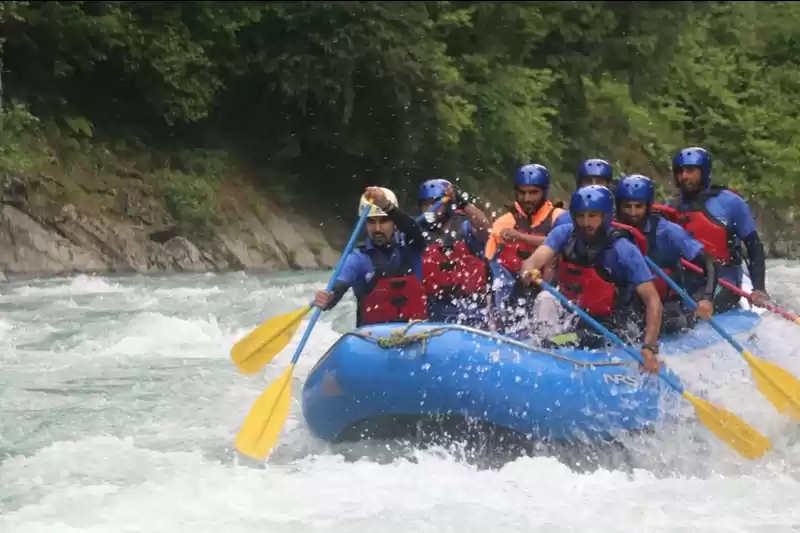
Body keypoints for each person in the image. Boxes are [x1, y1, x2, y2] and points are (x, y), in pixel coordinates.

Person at [520, 185, 662, 373]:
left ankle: (549, 348)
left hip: (610, 327)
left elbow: (653, 300)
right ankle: (540, 352)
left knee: (557, 340)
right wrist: (528, 268)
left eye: (593, 216)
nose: (586, 223)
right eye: (581, 216)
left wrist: (649, 347)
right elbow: (535, 259)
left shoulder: (623, 249)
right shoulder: (564, 234)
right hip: (575, 314)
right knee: (545, 298)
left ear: (605, 216)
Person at [669, 147, 770, 312]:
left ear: (704, 172)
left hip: (724, 279)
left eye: (690, 171)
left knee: (689, 309)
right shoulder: (671, 207)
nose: (684, 176)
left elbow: (754, 246)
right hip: (686, 278)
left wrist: (759, 288)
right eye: (680, 172)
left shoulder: (731, 202)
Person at [614, 175, 717, 333]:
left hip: (667, 304)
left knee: (671, 324)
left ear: (648, 206)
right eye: (627, 207)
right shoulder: (612, 231)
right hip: (630, 303)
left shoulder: (668, 231)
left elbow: (709, 262)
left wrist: (707, 298)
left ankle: (688, 319)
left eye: (638, 206)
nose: (633, 213)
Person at [314, 186, 428, 327]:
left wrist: (386, 206)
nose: (377, 229)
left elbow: (415, 231)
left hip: (416, 333)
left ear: (395, 222)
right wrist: (327, 298)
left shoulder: (412, 245)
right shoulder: (357, 258)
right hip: (372, 336)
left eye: (384, 221)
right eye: (371, 222)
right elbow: (337, 289)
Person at [484, 164, 566, 336]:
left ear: (544, 192)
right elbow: (489, 263)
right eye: (522, 192)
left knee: (545, 300)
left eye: (533, 192)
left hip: (552, 296)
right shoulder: (505, 221)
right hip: (517, 295)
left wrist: (522, 237)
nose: (527, 198)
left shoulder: (559, 217)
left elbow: (563, 241)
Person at [416, 178, 491, 326]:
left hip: (472, 314)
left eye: (435, 203)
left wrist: (463, 203)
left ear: (449, 204)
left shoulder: (466, 228)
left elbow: (486, 229)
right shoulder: (418, 234)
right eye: (426, 205)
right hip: (434, 314)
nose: (431, 209)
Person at [553, 158, 615, 228]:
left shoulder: (619, 216)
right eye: (588, 181)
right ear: (579, 185)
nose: (593, 185)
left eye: (599, 181)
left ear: (608, 185)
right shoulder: (564, 220)